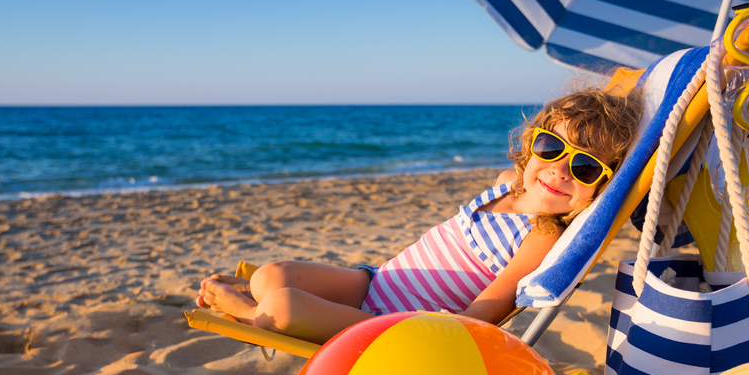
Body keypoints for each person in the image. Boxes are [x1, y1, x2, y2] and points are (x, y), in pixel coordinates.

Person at [197, 86, 643, 344]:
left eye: (585, 168)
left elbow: (481, 317)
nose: (559, 170)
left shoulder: (542, 235)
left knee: (282, 306)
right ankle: (257, 298)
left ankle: (250, 314)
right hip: (374, 282)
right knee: (271, 275)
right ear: (532, 142)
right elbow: (534, 168)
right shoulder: (512, 180)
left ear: (601, 187)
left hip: (395, 326)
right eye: (552, 147)